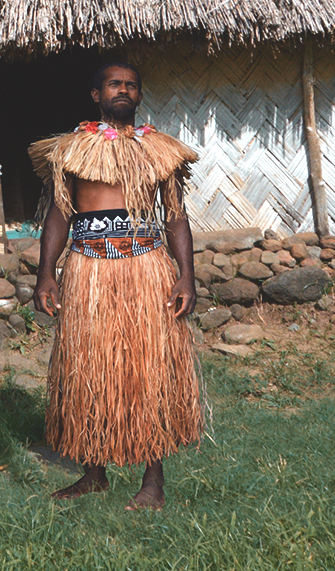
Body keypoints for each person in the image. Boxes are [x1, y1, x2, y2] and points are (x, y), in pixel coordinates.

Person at [30, 62, 204, 510]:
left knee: (149, 371)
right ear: (96, 94)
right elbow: (60, 214)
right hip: (88, 272)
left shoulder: (160, 151)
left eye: (130, 85)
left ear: (139, 96)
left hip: (146, 270)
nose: (123, 90)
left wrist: (186, 274)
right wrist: (46, 272)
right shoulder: (72, 149)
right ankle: (94, 472)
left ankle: (153, 481)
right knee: (90, 370)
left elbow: (175, 217)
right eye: (114, 84)